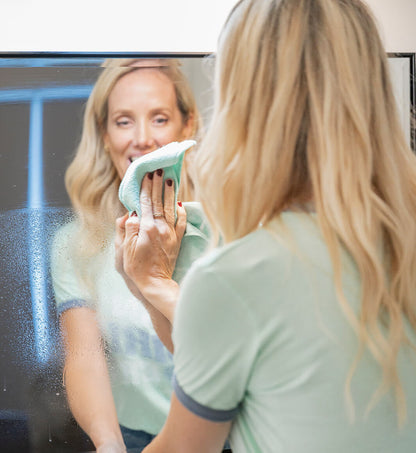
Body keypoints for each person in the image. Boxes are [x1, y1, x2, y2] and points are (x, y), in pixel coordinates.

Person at [117, 0, 416, 452]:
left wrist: (152, 284)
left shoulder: (236, 278)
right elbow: (254, 371)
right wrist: (156, 286)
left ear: (242, 106)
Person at [50, 58, 200, 452]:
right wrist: (109, 445)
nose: (143, 139)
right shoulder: (77, 244)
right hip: (130, 438)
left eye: (160, 118)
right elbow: (84, 357)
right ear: (104, 135)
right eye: (123, 121)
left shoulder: (227, 228)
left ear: (189, 125)